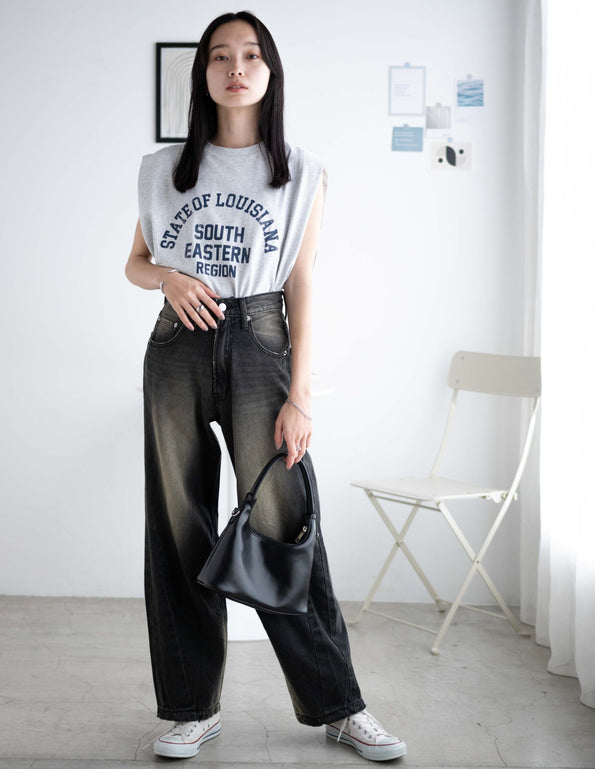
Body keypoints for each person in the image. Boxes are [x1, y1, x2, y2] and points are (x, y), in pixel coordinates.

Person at [125, 11, 407, 763]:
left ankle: (340, 705)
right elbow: (135, 262)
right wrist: (168, 277)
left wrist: (300, 393)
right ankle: (191, 708)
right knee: (178, 526)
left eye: (250, 55)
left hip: (261, 340)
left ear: (270, 72)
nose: (235, 68)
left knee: (284, 521)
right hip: (177, 346)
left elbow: (303, 281)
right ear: (203, 74)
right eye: (220, 56)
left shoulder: (301, 171)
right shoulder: (162, 168)